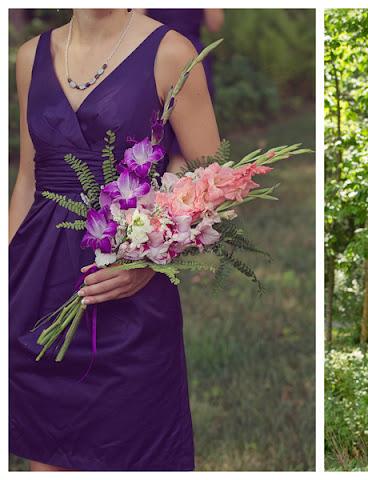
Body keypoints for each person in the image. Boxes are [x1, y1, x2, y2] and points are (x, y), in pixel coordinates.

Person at [9, 9, 220, 471]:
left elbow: (209, 175)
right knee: (45, 453)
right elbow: (29, 177)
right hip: (37, 285)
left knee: (132, 451)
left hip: (127, 294)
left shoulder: (171, 52)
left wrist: (147, 257)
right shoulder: (30, 57)